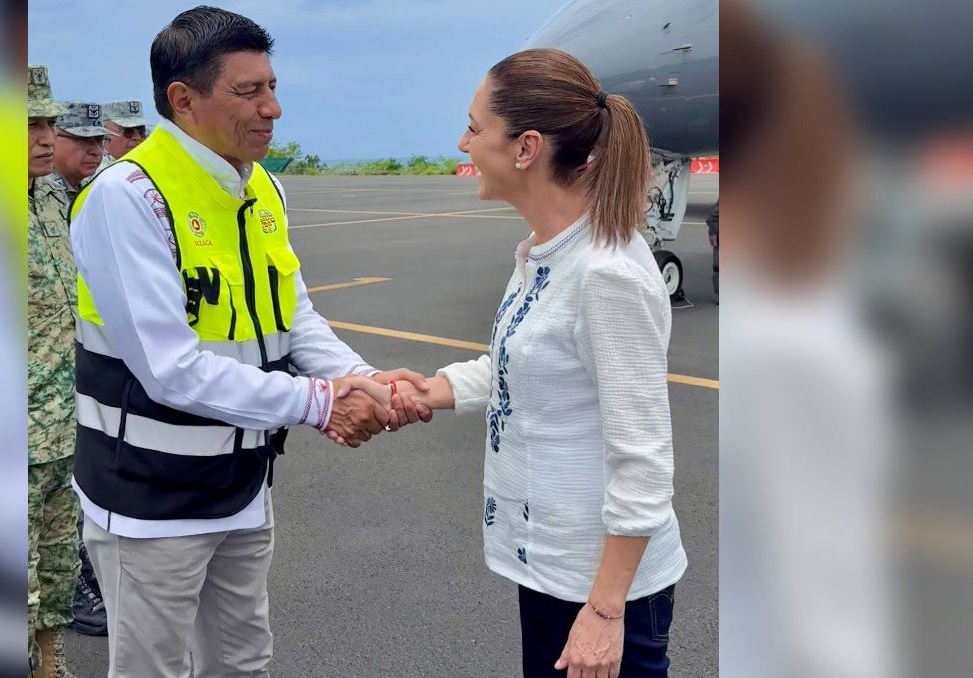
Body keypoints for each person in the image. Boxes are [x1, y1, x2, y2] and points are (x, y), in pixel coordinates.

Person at [67, 7, 429, 677]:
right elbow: (170, 371)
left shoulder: (261, 186)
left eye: (271, 86)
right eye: (249, 91)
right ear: (183, 99)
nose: (274, 108)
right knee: (154, 670)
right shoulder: (128, 198)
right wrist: (323, 403)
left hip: (240, 484)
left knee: (242, 662)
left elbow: (294, 318)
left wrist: (364, 379)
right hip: (150, 500)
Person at [387, 49, 688, 678]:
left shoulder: (606, 275)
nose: (464, 142)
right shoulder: (545, 254)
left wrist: (605, 615)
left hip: (604, 590)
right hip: (554, 568)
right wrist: (427, 391)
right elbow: (516, 365)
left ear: (525, 148)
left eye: (475, 127)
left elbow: (643, 460)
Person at [27, 64, 79, 678]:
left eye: (47, 121)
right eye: (28, 125)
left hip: (63, 429)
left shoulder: (50, 198)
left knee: (57, 567)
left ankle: (50, 663)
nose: (45, 136)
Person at [51, 100, 109, 203]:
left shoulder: (95, 188)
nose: (96, 151)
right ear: (53, 137)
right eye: (84, 139)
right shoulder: (34, 191)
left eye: (99, 140)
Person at [102, 99, 151, 164]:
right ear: (105, 131)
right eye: (128, 130)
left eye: (141, 131)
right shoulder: (93, 171)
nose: (138, 137)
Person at [707, 199, 719, 302]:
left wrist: (711, 234)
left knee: (717, 269)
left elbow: (709, 222)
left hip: (718, 241)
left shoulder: (714, 210)